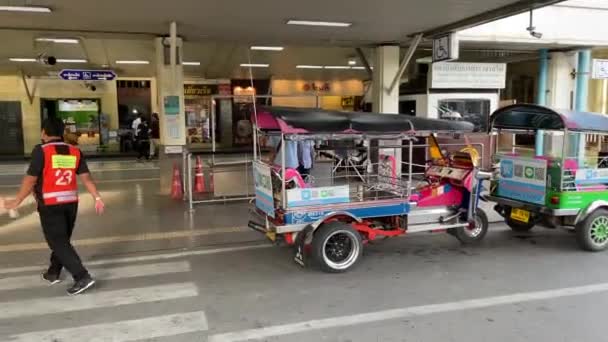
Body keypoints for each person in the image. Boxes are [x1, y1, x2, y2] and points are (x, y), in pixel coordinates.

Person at [1, 117, 104, 296]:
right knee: (61, 239)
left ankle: (82, 276)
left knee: (57, 241)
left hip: (50, 204)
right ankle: (53, 272)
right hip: (71, 202)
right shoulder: (74, 151)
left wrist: (17, 200)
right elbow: (86, 178)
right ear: (62, 133)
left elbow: (30, 179)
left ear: (43, 132)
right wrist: (96, 197)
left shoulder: (41, 151)